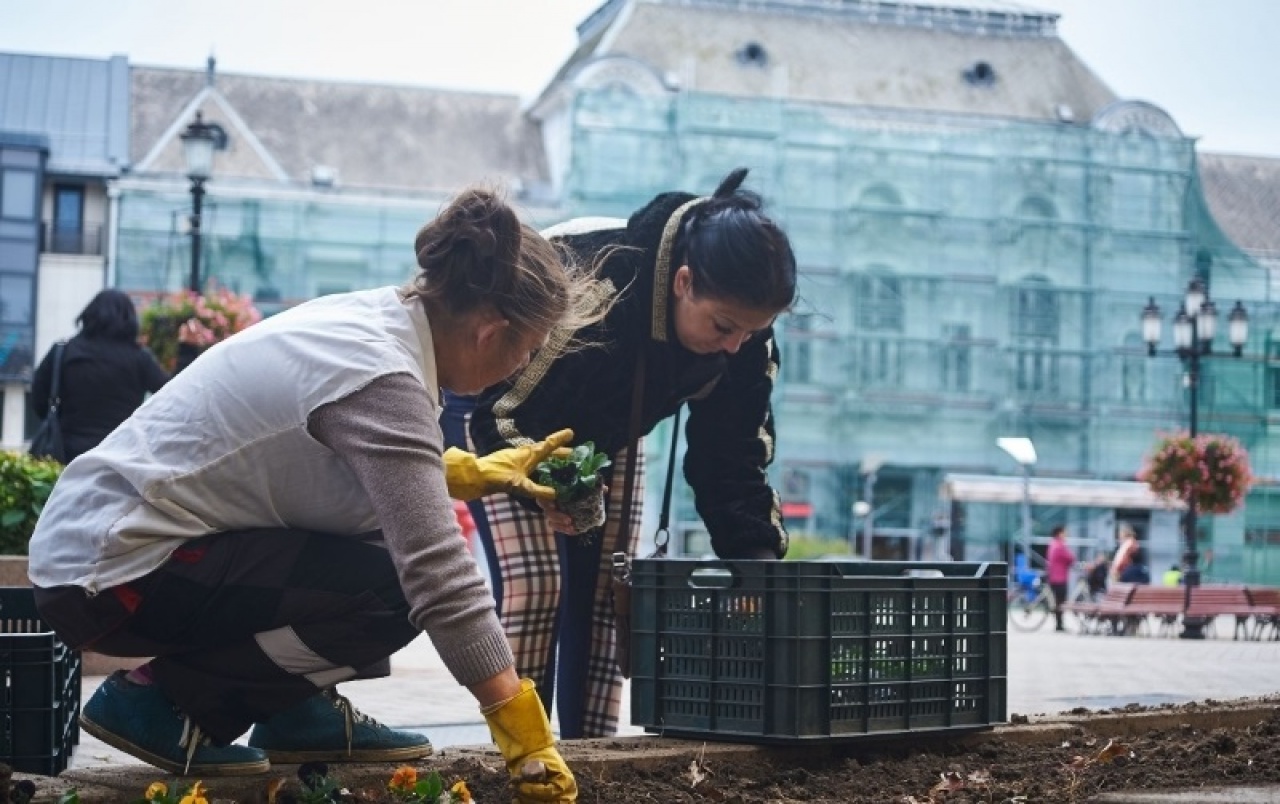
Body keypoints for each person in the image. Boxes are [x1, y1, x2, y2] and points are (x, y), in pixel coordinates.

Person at [27, 187, 601, 801]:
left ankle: (292, 712)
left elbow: (323, 467)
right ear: (491, 331)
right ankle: (159, 701)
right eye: (528, 349)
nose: (522, 367)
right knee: (397, 587)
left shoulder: (382, 321)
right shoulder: (384, 376)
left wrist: (469, 470)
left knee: (379, 554)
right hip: (112, 578)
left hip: (105, 552)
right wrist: (525, 736)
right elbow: (438, 573)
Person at [463, 167, 797, 738]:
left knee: (607, 598)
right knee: (539, 585)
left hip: (607, 436)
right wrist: (558, 485)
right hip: (497, 409)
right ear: (683, 282)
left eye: (750, 332)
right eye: (724, 327)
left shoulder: (743, 332)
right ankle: (518, 760)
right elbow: (504, 412)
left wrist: (756, 561)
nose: (736, 345)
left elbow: (732, 458)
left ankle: (591, 762)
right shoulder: (597, 282)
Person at [30, 289, 170, 464]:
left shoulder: (64, 350)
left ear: (89, 314)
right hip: (121, 452)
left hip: (68, 452)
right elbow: (170, 394)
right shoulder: (139, 358)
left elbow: (38, 398)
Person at [1045, 525, 1075, 632]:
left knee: (1057, 601)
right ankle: (1059, 624)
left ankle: (1059, 624)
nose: (1066, 535)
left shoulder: (1052, 544)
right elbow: (1071, 558)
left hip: (1053, 577)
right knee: (1060, 602)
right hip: (1060, 578)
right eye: (1064, 533)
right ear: (1059, 533)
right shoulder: (1060, 545)